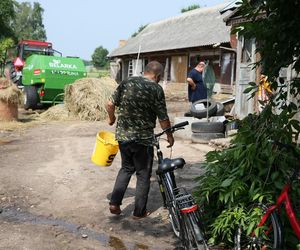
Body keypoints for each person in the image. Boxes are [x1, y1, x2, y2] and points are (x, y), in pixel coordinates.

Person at [105, 61, 174, 219]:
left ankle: (114, 204)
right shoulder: (156, 88)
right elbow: (163, 117)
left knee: (126, 169)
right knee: (143, 174)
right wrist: (169, 135)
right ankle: (139, 212)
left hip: (123, 137)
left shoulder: (127, 82)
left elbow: (110, 104)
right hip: (143, 140)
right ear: (157, 76)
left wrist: (111, 119)